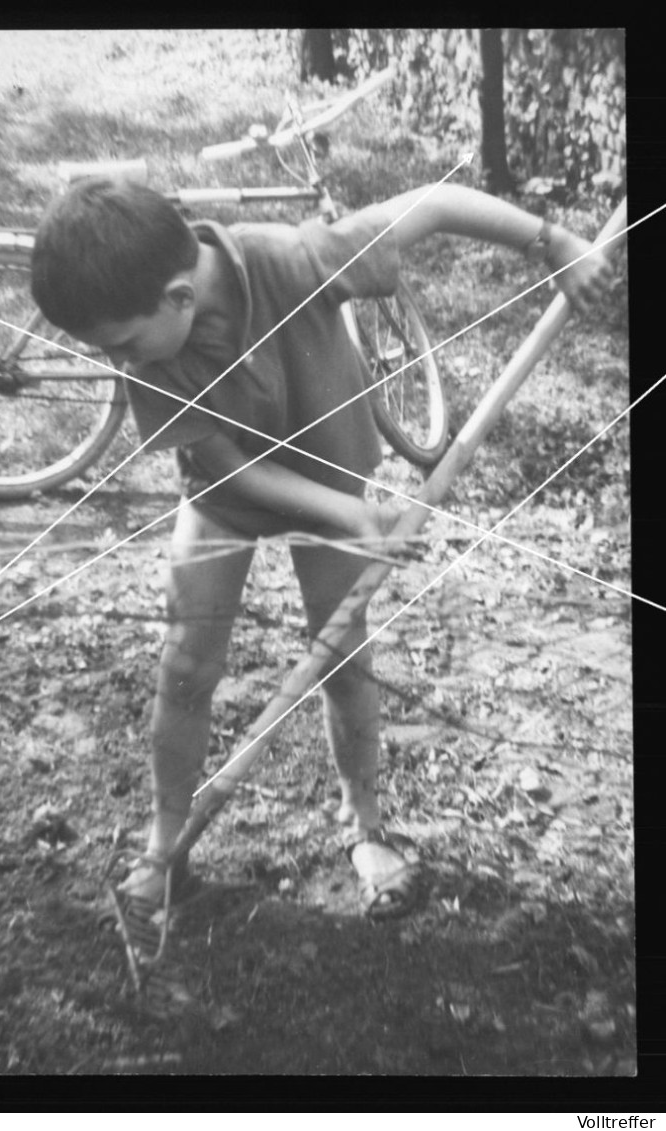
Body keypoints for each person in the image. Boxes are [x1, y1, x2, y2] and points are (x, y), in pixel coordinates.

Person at [31, 177, 611, 919]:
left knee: (342, 653)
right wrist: (342, 511)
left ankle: (362, 824)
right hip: (225, 497)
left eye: (119, 342)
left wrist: (553, 242)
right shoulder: (147, 350)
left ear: (178, 297)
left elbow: (430, 205)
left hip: (331, 462)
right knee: (185, 664)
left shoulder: (296, 258)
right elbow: (224, 463)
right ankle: (164, 846)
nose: (117, 360)